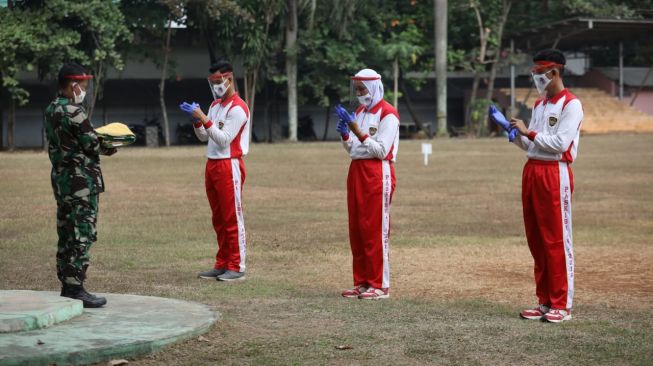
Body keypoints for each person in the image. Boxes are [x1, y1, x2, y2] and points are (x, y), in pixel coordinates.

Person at [508, 49, 583, 323]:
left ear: (554, 72)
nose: (537, 79)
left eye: (540, 74)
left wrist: (530, 132)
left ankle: (562, 304)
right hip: (533, 171)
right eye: (535, 74)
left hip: (555, 173)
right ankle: (544, 301)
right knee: (537, 239)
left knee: (556, 239)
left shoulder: (571, 105)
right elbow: (534, 144)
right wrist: (517, 136)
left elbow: (560, 144)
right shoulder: (540, 105)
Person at [44, 62, 117, 308]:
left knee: (66, 232)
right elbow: (92, 143)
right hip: (81, 182)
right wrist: (112, 145)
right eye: (83, 86)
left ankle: (67, 283)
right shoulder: (75, 111)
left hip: (62, 180)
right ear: (73, 85)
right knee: (82, 233)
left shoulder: (52, 109)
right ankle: (76, 287)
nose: (84, 90)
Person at [179, 60, 250, 282]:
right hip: (212, 164)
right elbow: (204, 137)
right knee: (218, 217)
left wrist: (203, 118)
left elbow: (223, 139)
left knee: (232, 217)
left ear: (229, 79)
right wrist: (196, 121)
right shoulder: (215, 105)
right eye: (213, 81)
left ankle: (237, 266)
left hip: (229, 164)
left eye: (219, 81)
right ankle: (222, 263)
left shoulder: (238, 108)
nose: (216, 85)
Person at [334, 68, 399, 300]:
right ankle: (361, 282)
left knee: (374, 228)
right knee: (358, 228)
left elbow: (381, 150)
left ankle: (379, 285)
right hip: (357, 171)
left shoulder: (388, 114)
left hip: (377, 172)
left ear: (374, 88)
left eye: (363, 89)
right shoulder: (360, 111)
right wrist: (345, 135)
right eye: (358, 89)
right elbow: (353, 149)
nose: (360, 93)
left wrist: (358, 132)